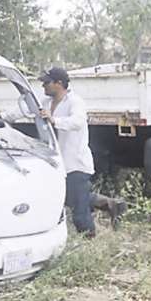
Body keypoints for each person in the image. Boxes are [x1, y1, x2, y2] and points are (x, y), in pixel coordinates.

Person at [37, 67, 98, 237]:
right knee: (60, 201)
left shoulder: (75, 102)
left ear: (59, 83)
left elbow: (77, 122)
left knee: (80, 211)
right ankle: (107, 203)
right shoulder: (46, 102)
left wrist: (54, 120)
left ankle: (89, 240)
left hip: (75, 164)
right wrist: (2, 117)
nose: (43, 86)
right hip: (57, 163)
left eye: (47, 82)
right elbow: (24, 110)